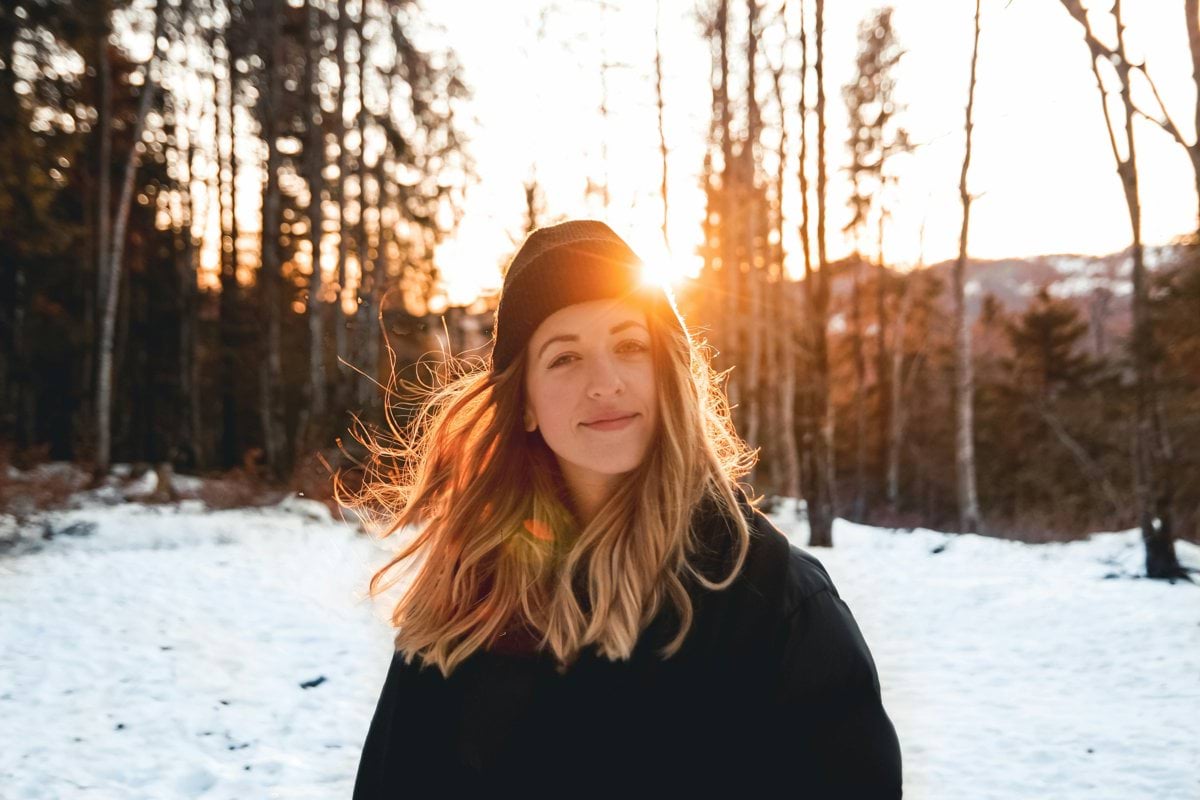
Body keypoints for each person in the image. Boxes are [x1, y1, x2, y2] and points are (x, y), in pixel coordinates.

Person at [344, 220, 902, 796]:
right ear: (525, 402)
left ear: (669, 373)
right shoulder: (469, 596)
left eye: (630, 346)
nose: (604, 382)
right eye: (564, 358)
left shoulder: (772, 598)